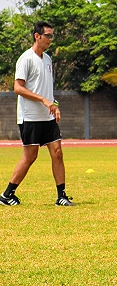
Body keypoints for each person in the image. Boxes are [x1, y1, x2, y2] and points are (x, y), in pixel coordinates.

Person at [0, 21, 74, 207]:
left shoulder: (48, 59)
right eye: (47, 35)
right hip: (30, 117)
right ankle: (7, 195)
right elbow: (18, 88)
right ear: (37, 36)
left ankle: (61, 196)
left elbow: (47, 90)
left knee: (57, 153)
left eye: (51, 36)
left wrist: (54, 105)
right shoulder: (25, 59)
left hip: (47, 117)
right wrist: (43, 100)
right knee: (30, 156)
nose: (50, 39)